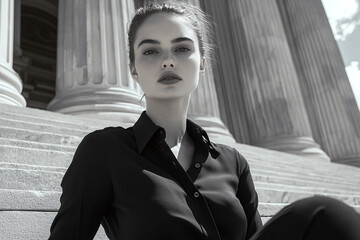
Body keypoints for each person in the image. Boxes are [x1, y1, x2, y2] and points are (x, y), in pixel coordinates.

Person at [49, 2, 360, 240]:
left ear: (202, 64)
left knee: (325, 214)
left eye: (182, 48)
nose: (168, 60)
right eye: (150, 51)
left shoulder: (231, 161)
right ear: (133, 69)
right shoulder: (104, 150)